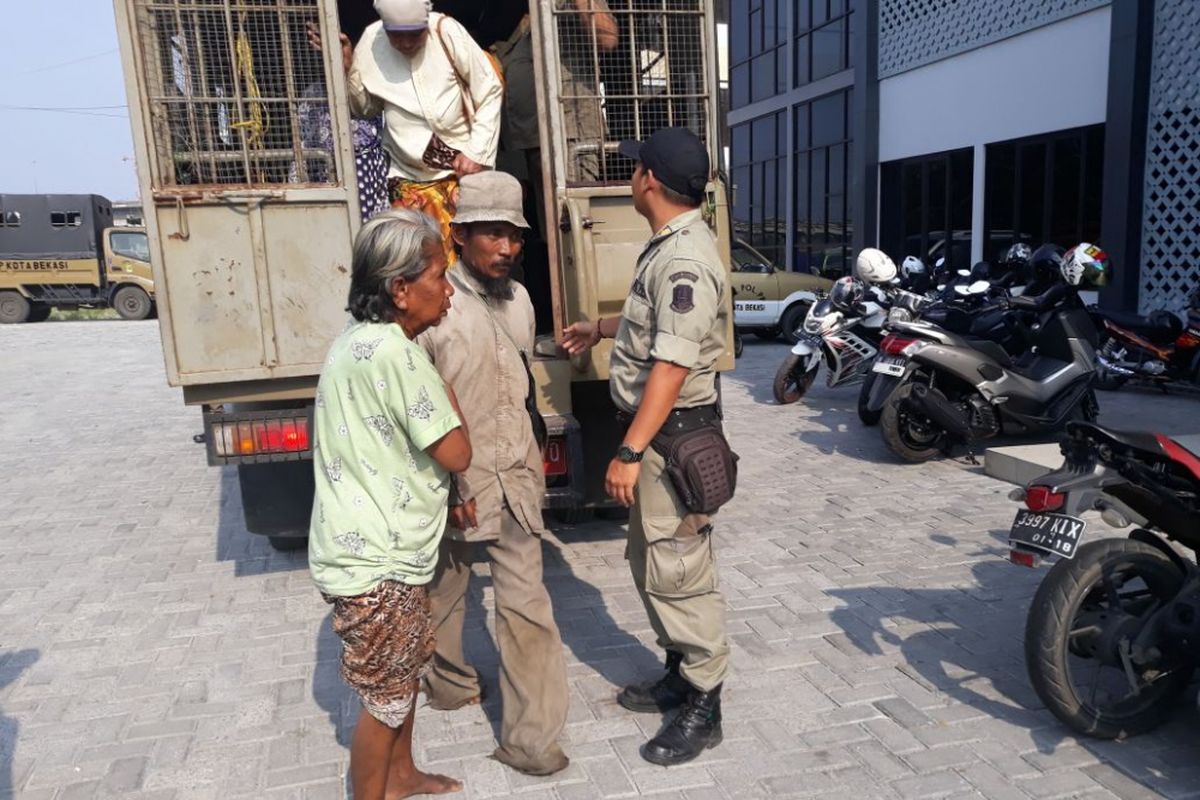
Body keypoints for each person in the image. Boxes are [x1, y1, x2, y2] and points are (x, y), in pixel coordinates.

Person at [561, 127, 731, 766]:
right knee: (650, 562)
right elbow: (652, 323)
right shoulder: (667, 247)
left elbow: (671, 365)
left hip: (670, 441)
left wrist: (629, 452)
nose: (629, 178)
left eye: (634, 171)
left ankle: (705, 703)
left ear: (650, 182)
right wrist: (600, 328)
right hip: (660, 439)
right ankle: (681, 674)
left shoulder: (684, 259)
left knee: (680, 573)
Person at [309, 208, 472, 800]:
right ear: (400, 290)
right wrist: (444, 383)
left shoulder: (354, 341)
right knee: (385, 699)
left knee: (400, 673)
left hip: (368, 550)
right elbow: (457, 451)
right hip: (378, 562)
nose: (448, 291)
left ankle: (402, 776)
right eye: (438, 276)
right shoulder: (400, 356)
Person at [416, 171, 571, 776]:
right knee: (445, 588)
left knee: (526, 606)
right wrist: (451, 488)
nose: (506, 248)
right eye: (492, 234)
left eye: (514, 236)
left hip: (516, 478)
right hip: (455, 484)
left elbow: (522, 387)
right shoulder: (433, 307)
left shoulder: (523, 300)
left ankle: (533, 741)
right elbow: (421, 410)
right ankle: (450, 680)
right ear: (461, 236)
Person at [338, 0, 505, 262]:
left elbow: (490, 89)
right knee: (420, 265)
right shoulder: (372, 39)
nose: (406, 43)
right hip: (408, 179)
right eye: (397, 36)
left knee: (471, 264)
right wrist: (349, 71)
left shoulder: (446, 32)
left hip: (460, 174)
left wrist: (476, 151)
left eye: (414, 35)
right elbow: (365, 110)